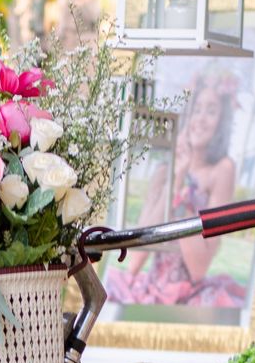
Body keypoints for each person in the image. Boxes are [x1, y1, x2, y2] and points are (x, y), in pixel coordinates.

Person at [106, 69, 247, 308]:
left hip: (191, 294)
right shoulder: (165, 171)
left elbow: (198, 268)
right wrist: (176, 179)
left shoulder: (221, 170)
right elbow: (135, 259)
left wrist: (182, 204)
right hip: (150, 289)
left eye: (211, 111)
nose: (201, 119)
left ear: (221, 122)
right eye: (196, 110)